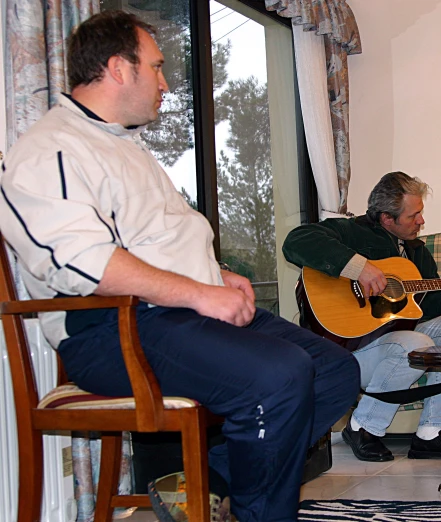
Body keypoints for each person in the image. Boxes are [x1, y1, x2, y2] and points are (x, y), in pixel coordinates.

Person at [0, 11, 359, 522]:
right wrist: (198, 292)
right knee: (278, 377)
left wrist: (215, 276)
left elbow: (157, 241)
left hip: (174, 313)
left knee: (335, 371)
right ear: (119, 69)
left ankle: (199, 485)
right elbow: (85, 265)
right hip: (110, 327)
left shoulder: (126, 146)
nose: (166, 82)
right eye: (157, 66)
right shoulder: (49, 149)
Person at [282, 172, 441, 462]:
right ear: (387, 218)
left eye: (421, 213)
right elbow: (297, 241)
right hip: (350, 352)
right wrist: (358, 268)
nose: (421, 222)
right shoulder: (352, 232)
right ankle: (363, 427)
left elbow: (431, 305)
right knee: (415, 342)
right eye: (414, 215)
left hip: (392, 344)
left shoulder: (417, 253)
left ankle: (432, 433)